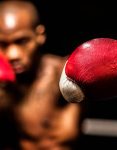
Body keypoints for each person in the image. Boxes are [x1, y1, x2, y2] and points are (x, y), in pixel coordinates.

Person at [0, 1, 84, 150]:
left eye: (22, 41)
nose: (13, 54)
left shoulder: (65, 73)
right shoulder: (4, 87)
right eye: (2, 44)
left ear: (39, 35)